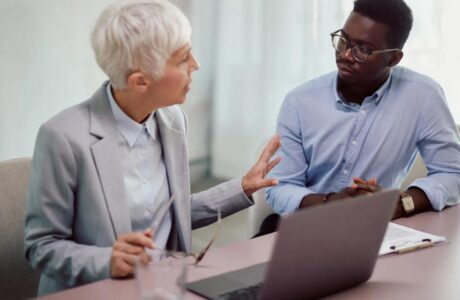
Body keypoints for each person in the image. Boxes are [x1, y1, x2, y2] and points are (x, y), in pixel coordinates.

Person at [24, 0, 281, 296]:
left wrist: (243, 187)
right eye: (184, 58)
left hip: (166, 287)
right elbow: (41, 246)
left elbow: (175, 212)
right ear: (140, 81)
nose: (196, 65)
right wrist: (106, 261)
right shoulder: (63, 137)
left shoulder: (172, 120)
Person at [260, 0, 460, 235]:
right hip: (302, 225)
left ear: (394, 59)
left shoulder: (423, 96)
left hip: (374, 229)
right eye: (343, 40)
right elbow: (279, 187)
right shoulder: (300, 101)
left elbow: (452, 173)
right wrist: (330, 203)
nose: (345, 54)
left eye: (363, 49)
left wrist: (398, 203)